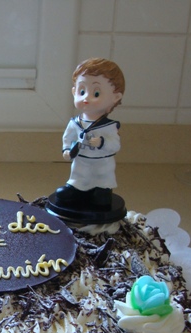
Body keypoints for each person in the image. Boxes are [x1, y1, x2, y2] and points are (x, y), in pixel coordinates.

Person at [49, 58, 126, 219]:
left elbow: (115, 145)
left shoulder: (109, 126)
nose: (86, 98)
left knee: (101, 190)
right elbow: (67, 138)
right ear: (74, 92)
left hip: (101, 164)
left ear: (115, 97)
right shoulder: (75, 123)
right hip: (81, 162)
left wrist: (102, 142)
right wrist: (67, 150)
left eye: (96, 93)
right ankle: (77, 190)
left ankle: (101, 190)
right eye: (82, 91)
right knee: (79, 179)